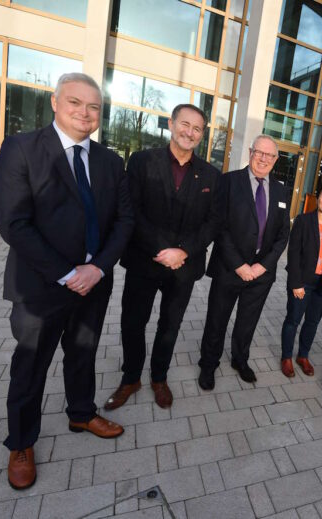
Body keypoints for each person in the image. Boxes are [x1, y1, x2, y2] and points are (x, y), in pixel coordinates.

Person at [0, 72, 134, 490]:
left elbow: (124, 221)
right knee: (31, 366)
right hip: (41, 286)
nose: (85, 113)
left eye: (93, 106)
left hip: (94, 283)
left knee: (83, 352)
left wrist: (98, 268)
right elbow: (15, 224)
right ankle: (21, 441)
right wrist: (69, 273)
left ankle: (82, 413)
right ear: (55, 103)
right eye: (75, 103)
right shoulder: (21, 149)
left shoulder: (111, 161)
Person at [104, 104, 220, 411]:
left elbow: (212, 222)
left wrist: (182, 251)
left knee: (170, 325)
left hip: (184, 267)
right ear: (171, 123)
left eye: (197, 129)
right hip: (144, 261)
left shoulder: (210, 174)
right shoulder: (143, 161)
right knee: (133, 322)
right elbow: (132, 211)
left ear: (202, 134)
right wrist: (161, 250)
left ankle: (159, 377)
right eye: (185, 124)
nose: (190, 132)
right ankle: (131, 378)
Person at [198, 135, 290, 389]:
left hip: (261, 274)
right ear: (250, 152)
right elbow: (220, 226)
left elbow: (283, 236)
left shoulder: (282, 191)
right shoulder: (228, 182)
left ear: (276, 159)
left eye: (269, 155)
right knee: (217, 319)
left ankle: (240, 359)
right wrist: (240, 265)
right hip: (229, 268)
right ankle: (208, 364)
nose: (264, 159)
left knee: (247, 321)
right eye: (259, 152)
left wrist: (263, 266)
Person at [280, 180, 322, 378]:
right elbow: (293, 254)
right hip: (303, 281)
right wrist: (296, 283)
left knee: (313, 321)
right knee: (293, 319)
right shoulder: (303, 220)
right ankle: (286, 357)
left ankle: (303, 355)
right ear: (318, 197)